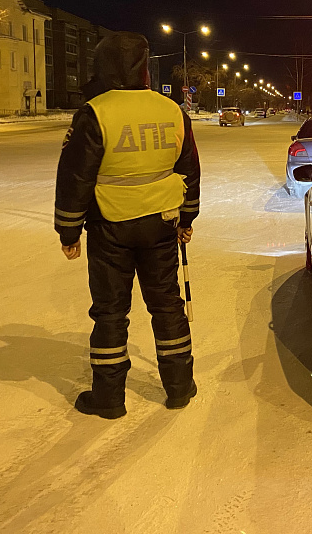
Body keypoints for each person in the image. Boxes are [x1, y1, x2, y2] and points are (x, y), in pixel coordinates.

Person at [55, 32, 201, 418]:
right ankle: (179, 388)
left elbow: (75, 177)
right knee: (167, 304)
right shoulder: (172, 111)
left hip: (110, 228)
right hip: (161, 225)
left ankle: (108, 398)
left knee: (110, 312)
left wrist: (68, 231)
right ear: (144, 67)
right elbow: (189, 168)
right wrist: (187, 218)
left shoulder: (95, 112)